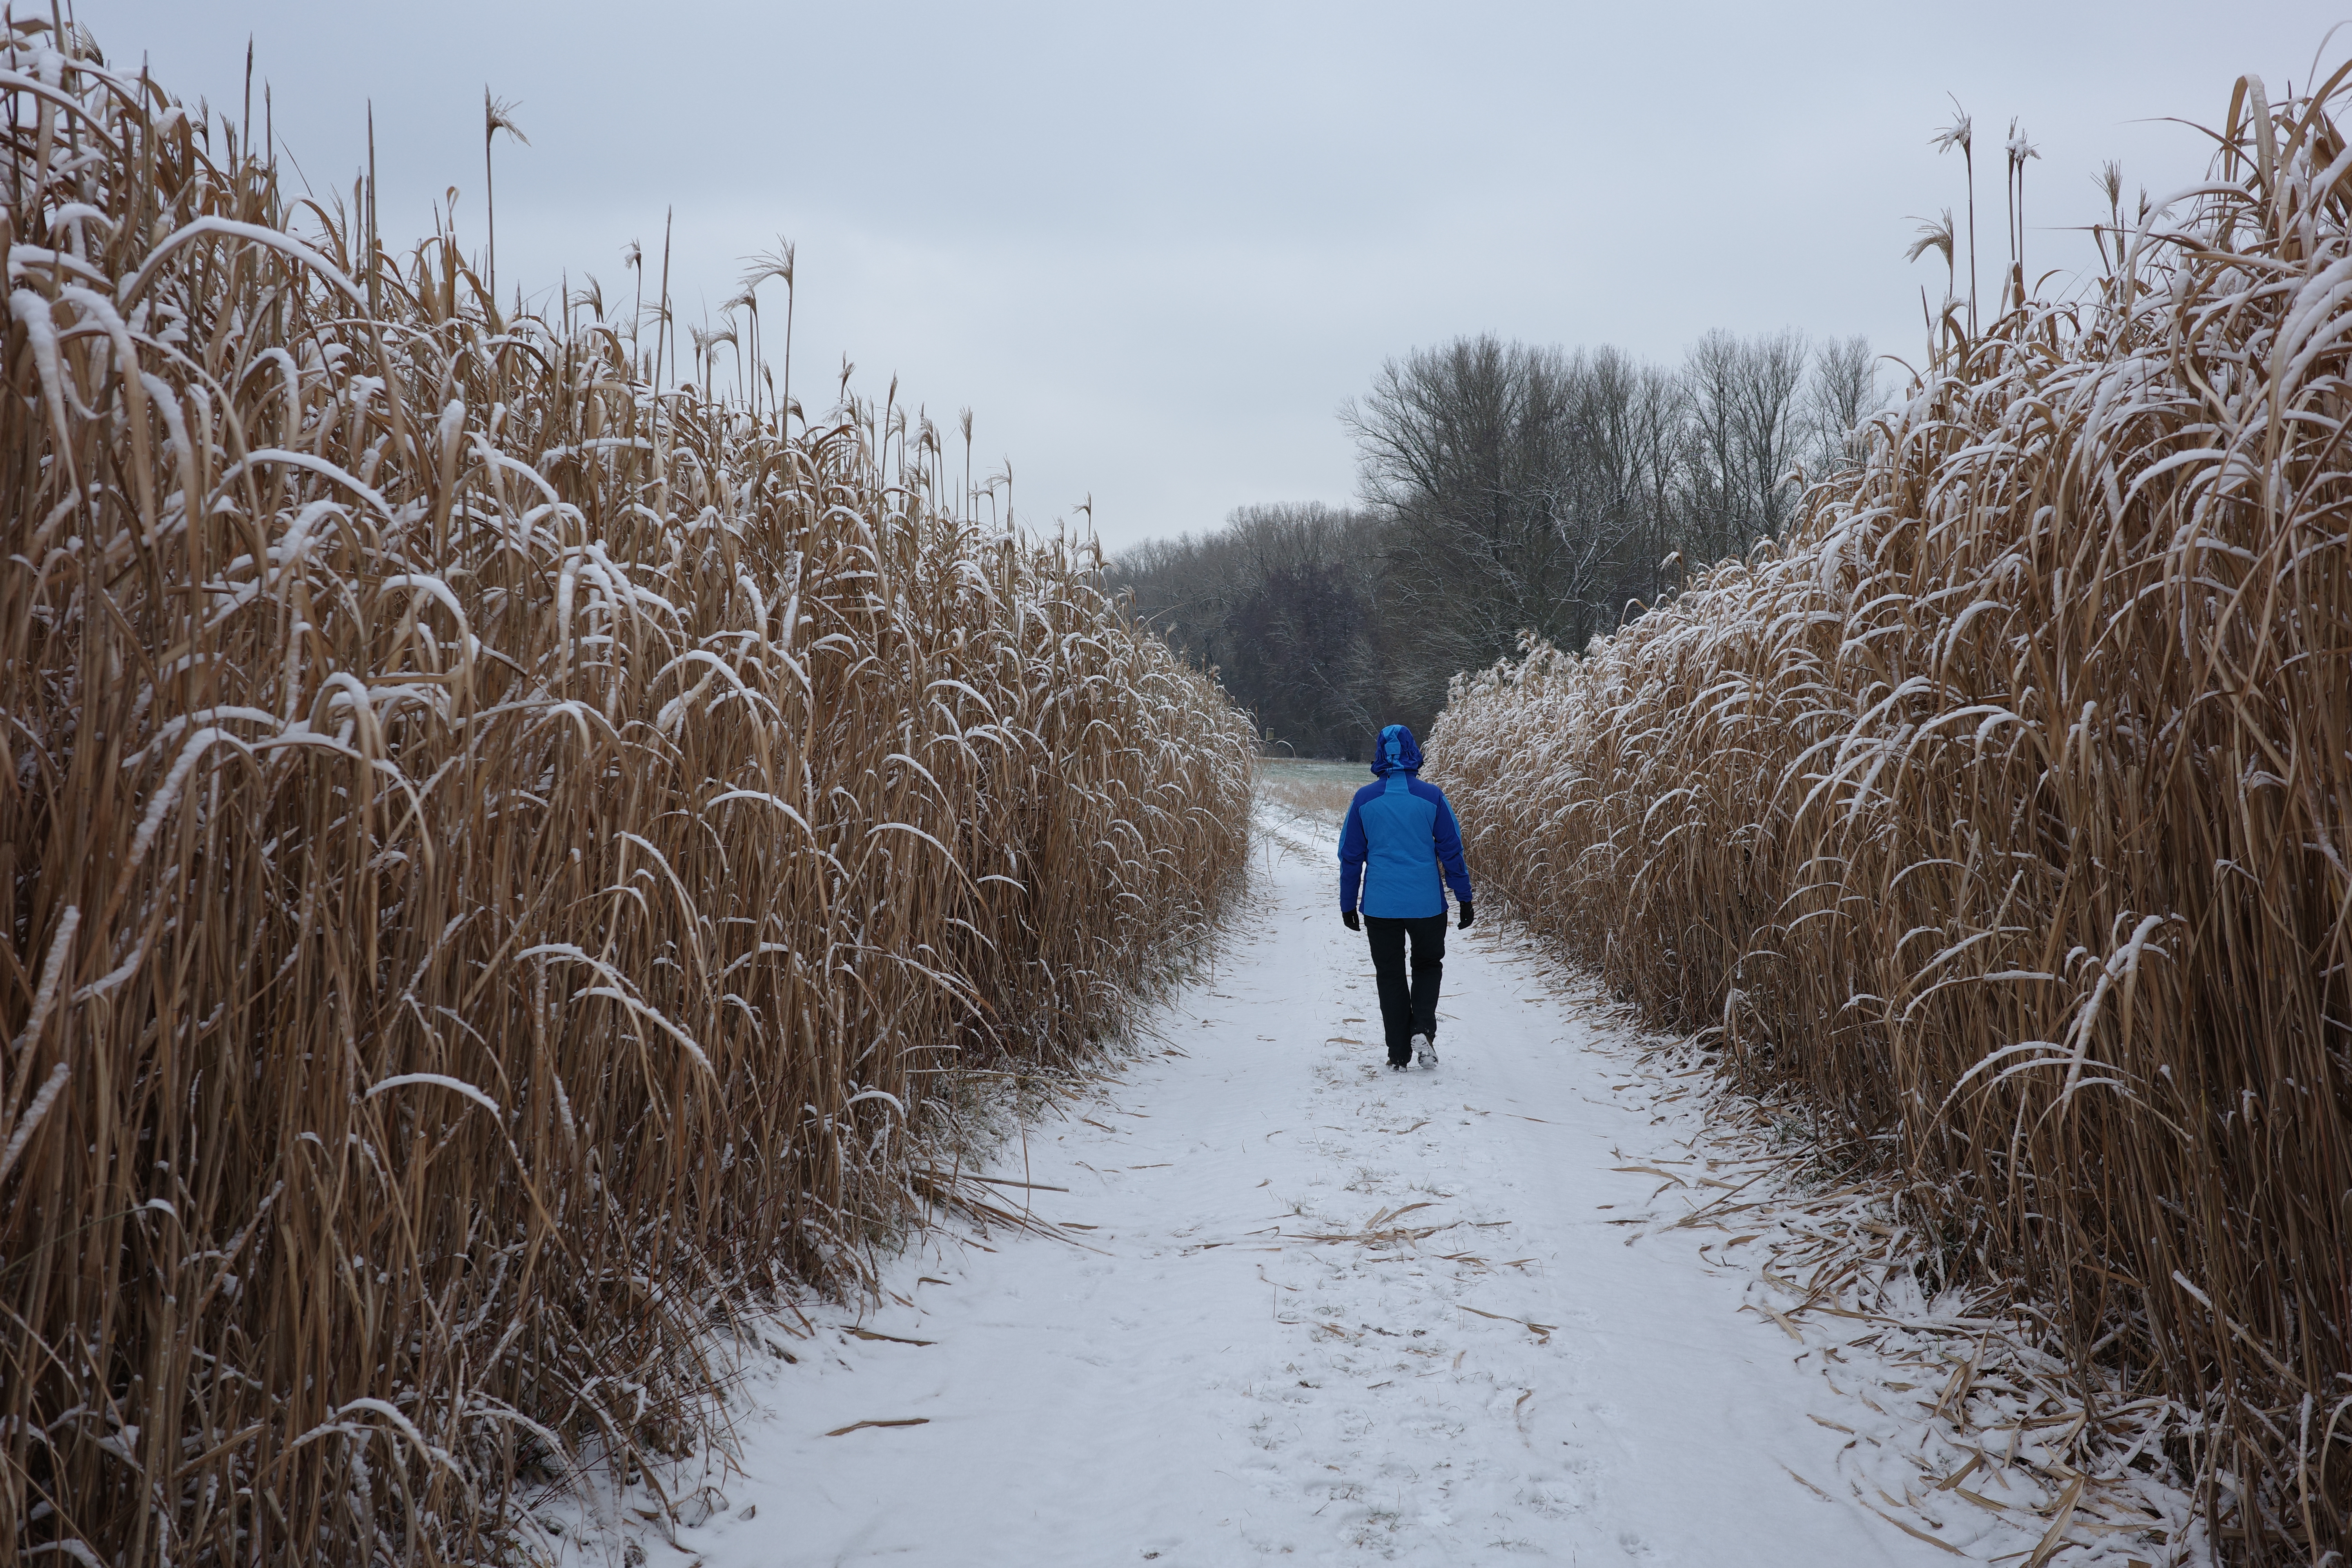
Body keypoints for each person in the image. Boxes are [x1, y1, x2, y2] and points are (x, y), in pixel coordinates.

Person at [1338, 724, 1474, 1071]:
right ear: (1414, 752)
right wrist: (1464, 896)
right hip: (1426, 904)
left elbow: (1351, 856)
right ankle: (1422, 1027)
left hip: (1382, 906)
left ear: (1381, 754)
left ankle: (1398, 1051)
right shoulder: (1432, 797)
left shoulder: (1364, 799)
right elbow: (1452, 850)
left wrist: (1348, 903)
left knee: (1391, 974)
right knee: (1428, 965)